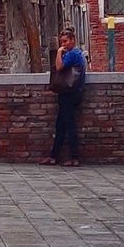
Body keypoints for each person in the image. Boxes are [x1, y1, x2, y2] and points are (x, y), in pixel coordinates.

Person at [42, 26, 87, 167]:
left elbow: (59, 67)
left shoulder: (72, 54)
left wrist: (59, 52)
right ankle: (53, 156)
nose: (64, 44)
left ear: (72, 40)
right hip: (70, 94)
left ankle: (74, 158)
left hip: (69, 94)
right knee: (60, 125)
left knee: (69, 125)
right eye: (62, 42)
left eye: (65, 41)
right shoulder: (78, 53)